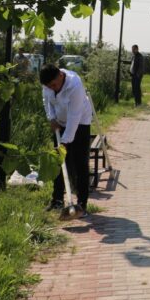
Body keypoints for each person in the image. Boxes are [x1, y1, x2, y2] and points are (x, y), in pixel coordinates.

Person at [40, 64, 94, 213]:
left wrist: (64, 142)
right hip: (59, 122)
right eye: (49, 86)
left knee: (80, 163)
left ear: (60, 75)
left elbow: (74, 117)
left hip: (80, 122)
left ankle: (82, 203)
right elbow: (47, 101)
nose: (52, 88)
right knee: (58, 162)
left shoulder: (75, 85)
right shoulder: (47, 84)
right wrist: (51, 118)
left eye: (54, 85)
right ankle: (57, 200)